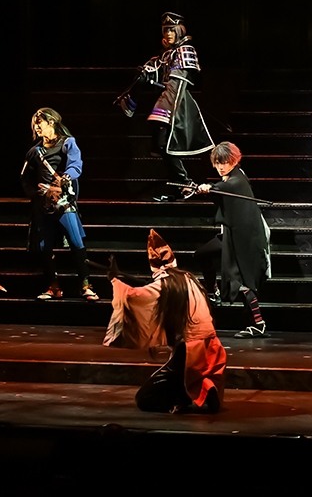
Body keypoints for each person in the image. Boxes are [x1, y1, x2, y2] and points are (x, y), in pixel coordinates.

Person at [103, 230, 226, 414]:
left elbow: (134, 296)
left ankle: (182, 398)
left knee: (145, 398)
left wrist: (114, 280)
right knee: (181, 376)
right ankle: (197, 390)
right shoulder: (189, 278)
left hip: (190, 349)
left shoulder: (164, 285)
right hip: (211, 344)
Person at [193, 142, 272, 338]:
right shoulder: (232, 177)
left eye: (225, 162)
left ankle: (258, 324)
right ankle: (214, 292)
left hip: (245, 239)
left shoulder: (236, 180)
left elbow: (225, 187)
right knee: (203, 254)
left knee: (241, 280)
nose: (221, 167)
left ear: (235, 161)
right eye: (218, 163)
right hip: (231, 235)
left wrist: (209, 188)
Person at [21, 108, 97, 301]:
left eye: (40, 123)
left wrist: (64, 178)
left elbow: (76, 165)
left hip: (63, 202)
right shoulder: (34, 152)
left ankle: (86, 286)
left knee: (76, 242)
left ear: (52, 122)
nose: (37, 127)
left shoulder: (68, 143)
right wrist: (35, 194)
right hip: (42, 204)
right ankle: (53, 287)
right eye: (34, 124)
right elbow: (25, 177)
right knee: (45, 246)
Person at [146, 12, 215, 201]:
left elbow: (177, 84)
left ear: (179, 30)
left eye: (171, 29)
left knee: (168, 144)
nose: (168, 33)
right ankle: (180, 186)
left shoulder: (185, 50)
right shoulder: (167, 53)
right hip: (168, 102)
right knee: (164, 146)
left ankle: (185, 184)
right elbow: (158, 74)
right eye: (165, 30)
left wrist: (163, 111)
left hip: (178, 105)